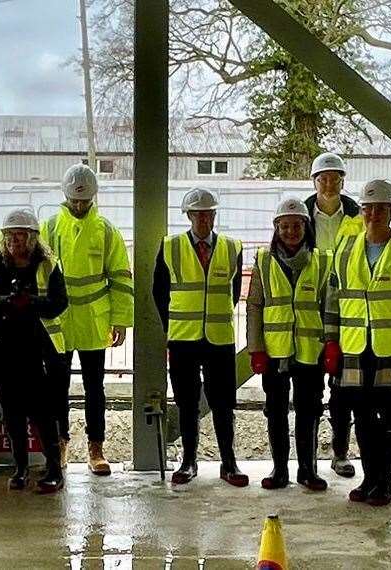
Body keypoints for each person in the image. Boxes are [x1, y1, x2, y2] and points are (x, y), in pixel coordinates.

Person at [323, 179, 391, 507]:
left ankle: (383, 483)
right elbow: (332, 299)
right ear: (362, 212)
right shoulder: (344, 249)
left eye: (381, 209)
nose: (374, 214)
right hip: (354, 348)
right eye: (368, 209)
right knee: (362, 417)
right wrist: (330, 341)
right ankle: (370, 478)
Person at [41, 164, 133, 476]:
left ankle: (96, 447)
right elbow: (40, 277)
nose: (79, 207)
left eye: (84, 202)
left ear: (93, 198)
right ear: (65, 197)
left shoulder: (105, 230)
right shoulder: (50, 228)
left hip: (95, 320)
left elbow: (120, 277)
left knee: (95, 387)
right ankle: (60, 442)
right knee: (57, 387)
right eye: (74, 202)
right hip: (61, 321)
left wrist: (120, 320)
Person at [0, 208, 69, 493]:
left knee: (43, 414)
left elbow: (59, 303)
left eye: (21, 235)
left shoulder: (48, 265)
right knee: (12, 413)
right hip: (4, 352)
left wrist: (31, 303)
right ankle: (21, 469)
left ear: (33, 238)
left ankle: (53, 469)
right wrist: (4, 301)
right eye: (10, 235)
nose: (15, 240)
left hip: (39, 353)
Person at [153, 187, 246, 486]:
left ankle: (228, 462)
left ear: (214, 216)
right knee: (186, 401)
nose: (204, 220)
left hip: (219, 338)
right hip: (183, 339)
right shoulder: (170, 246)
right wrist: (174, 325)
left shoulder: (233, 247)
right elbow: (159, 292)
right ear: (189, 216)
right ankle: (188, 460)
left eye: (208, 214)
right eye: (198, 215)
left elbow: (232, 294)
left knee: (222, 402)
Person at [247, 198, 329, 491]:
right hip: (275, 351)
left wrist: (331, 345)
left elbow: (328, 306)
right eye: (285, 226)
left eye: (297, 225)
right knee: (276, 411)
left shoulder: (321, 260)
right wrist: (256, 348)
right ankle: (279, 469)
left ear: (306, 227)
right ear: (276, 229)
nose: (291, 231)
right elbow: (254, 305)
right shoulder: (264, 260)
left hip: (310, 351)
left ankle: (308, 470)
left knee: (309, 411)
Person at [303, 151, 363, 478]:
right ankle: (309, 455)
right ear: (314, 181)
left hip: (345, 311)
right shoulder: (300, 214)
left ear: (342, 181)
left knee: (343, 388)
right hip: (310, 310)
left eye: (334, 178)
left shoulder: (358, 216)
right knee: (310, 388)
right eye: (322, 178)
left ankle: (340, 453)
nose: (328, 184)